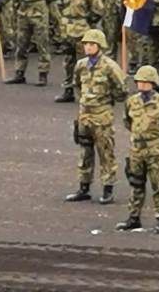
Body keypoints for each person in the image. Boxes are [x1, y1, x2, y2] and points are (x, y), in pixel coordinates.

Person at [65, 28, 128, 205]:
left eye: (92, 44)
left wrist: (106, 102)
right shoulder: (81, 65)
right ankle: (84, 187)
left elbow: (121, 90)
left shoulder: (110, 67)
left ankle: (108, 188)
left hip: (102, 116)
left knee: (106, 152)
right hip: (85, 115)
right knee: (85, 152)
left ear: (100, 46)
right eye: (86, 44)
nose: (88, 47)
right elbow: (77, 85)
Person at [117, 65, 159, 233]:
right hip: (137, 147)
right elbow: (127, 121)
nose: (141, 85)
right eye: (139, 81)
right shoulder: (132, 101)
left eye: (145, 82)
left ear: (153, 83)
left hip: (155, 148)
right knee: (136, 183)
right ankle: (134, 216)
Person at [56, 0, 105, 104]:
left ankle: (87, 90)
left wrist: (89, 21)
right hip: (67, 28)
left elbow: (98, 9)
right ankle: (68, 89)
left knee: (84, 63)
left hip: (82, 29)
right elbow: (58, 6)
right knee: (68, 61)